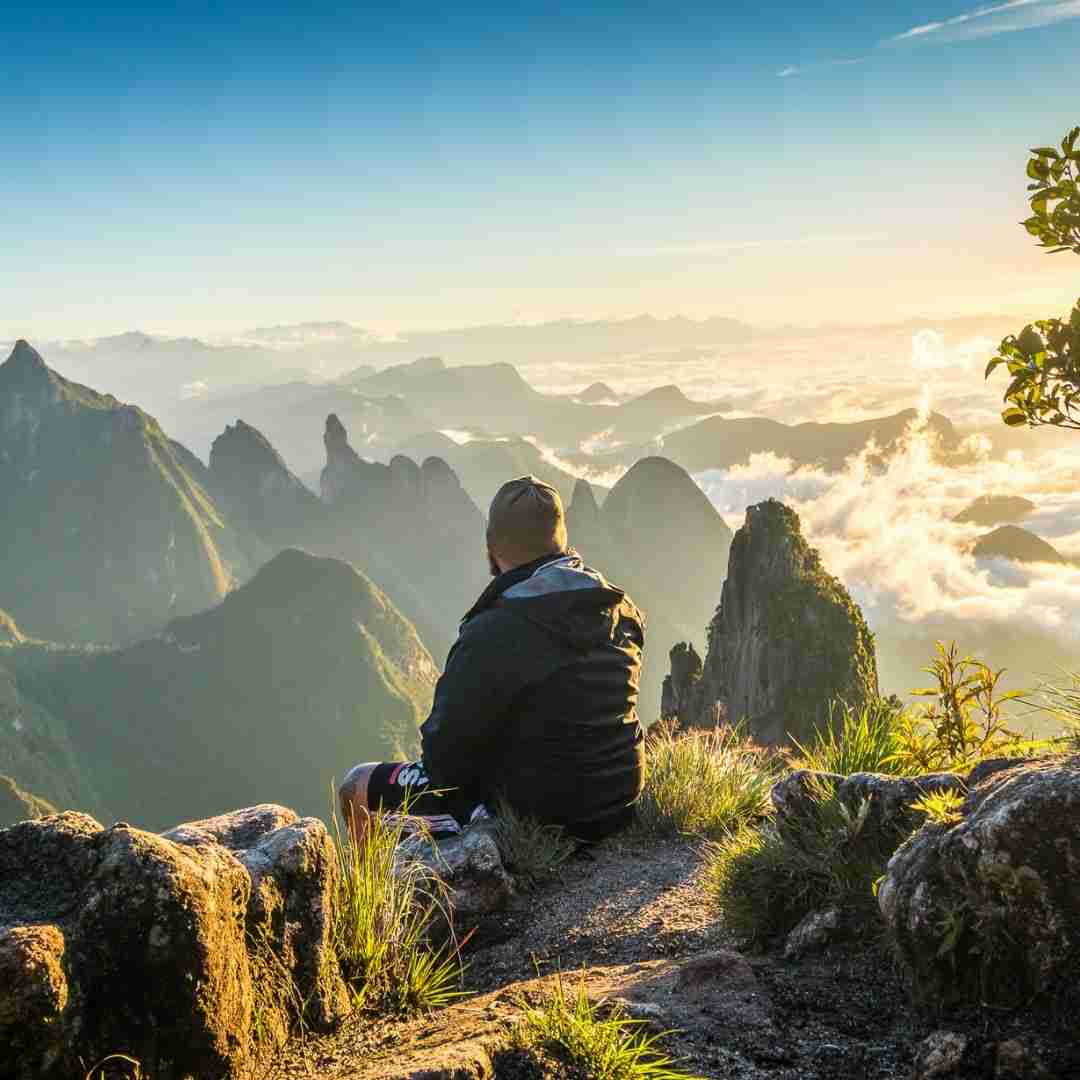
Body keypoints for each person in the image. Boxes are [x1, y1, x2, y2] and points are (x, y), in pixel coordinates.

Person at [338, 474, 645, 843]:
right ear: (562, 540)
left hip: (542, 820)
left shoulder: (491, 632)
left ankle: (371, 898)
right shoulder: (620, 609)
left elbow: (443, 763)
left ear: (491, 545)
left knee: (356, 786)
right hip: (619, 801)